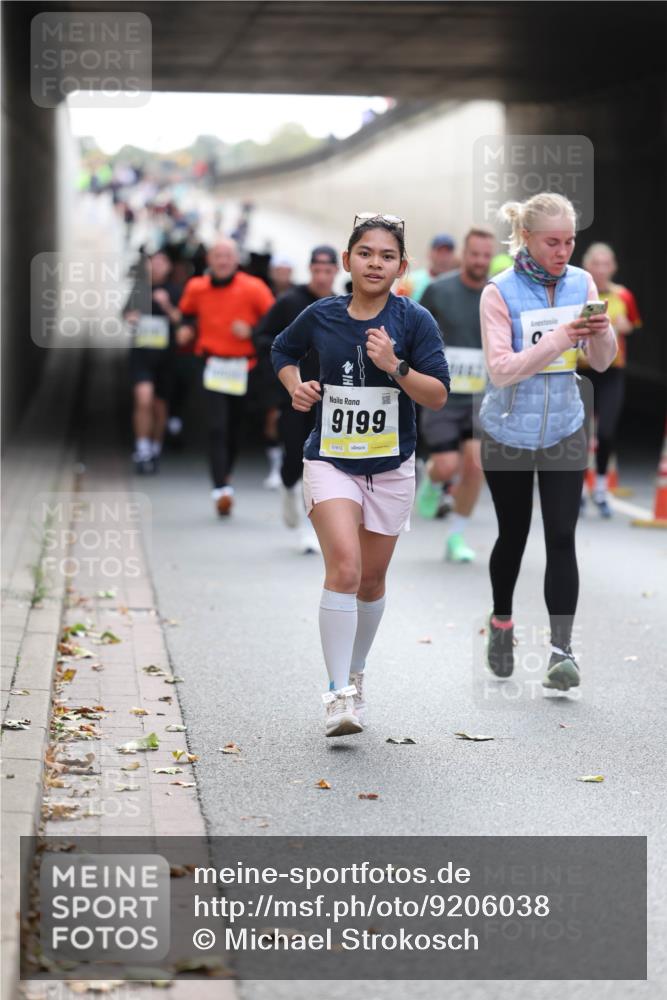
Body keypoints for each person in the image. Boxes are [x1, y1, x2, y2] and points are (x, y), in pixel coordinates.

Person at [272, 214, 450, 737]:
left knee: (371, 581)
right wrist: (295, 385)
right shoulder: (321, 314)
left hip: (391, 467)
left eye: (387, 255)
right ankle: (337, 694)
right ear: (347, 260)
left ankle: (356, 670)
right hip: (329, 459)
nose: (375, 263)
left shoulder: (415, 321)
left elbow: (437, 394)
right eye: (366, 253)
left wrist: (396, 366)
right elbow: (282, 350)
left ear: (402, 266)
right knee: (345, 569)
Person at [479, 193, 617, 692]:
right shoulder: (499, 292)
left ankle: (562, 652)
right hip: (507, 433)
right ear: (527, 239)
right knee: (513, 536)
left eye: (570, 241)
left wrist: (599, 334)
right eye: (552, 242)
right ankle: (501, 623)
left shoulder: (582, 282)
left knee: (561, 535)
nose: (563, 251)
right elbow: (501, 370)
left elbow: (601, 361)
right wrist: (561, 337)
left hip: (564, 427)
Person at [176, 239, 275, 516]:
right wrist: (185, 330)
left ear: (236, 259)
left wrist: (252, 332)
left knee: (234, 427)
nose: (222, 261)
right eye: (218, 256)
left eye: (228, 256)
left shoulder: (254, 288)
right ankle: (221, 488)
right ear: (209, 260)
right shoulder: (197, 288)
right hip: (212, 364)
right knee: (216, 426)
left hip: (244, 367)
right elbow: (186, 316)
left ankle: (226, 476)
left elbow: (275, 325)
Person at [416, 226, 496, 562]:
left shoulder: (498, 294)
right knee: (447, 465)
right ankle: (434, 483)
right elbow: (416, 332)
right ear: (465, 254)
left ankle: (456, 536)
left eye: (486, 256)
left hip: (481, 396)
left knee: (475, 464)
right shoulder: (438, 291)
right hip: (444, 394)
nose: (479, 261)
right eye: (474, 254)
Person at [254, 246, 340, 553]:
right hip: (294, 396)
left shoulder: (343, 304)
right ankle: (288, 486)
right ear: (309, 270)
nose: (321, 276)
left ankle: (310, 530)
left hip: (334, 398)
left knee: (320, 463)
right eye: (316, 270)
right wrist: (289, 369)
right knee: (294, 457)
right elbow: (263, 338)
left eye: (327, 270)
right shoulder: (290, 302)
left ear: (336, 271)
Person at [578, 242, 642, 517]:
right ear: (586, 266)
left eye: (606, 264)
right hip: (582, 369)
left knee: (605, 431)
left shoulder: (623, 295)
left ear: (613, 267)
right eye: (596, 264)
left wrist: (619, 324)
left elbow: (632, 323)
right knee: (578, 433)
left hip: (612, 371)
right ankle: (578, 489)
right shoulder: (579, 293)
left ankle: (601, 487)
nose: (601, 269)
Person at [123, 251, 182, 474]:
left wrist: (166, 306)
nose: (156, 267)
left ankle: (155, 447)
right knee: (143, 399)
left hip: (166, 358)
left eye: (161, 263)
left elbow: (182, 322)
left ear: (168, 267)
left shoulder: (175, 291)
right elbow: (126, 315)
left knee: (159, 406)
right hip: (141, 355)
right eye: (153, 263)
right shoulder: (139, 290)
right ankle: (142, 447)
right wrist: (131, 317)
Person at [397, 233, 457, 302]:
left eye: (447, 253)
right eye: (439, 252)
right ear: (430, 253)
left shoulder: (459, 286)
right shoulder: (410, 281)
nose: (443, 258)